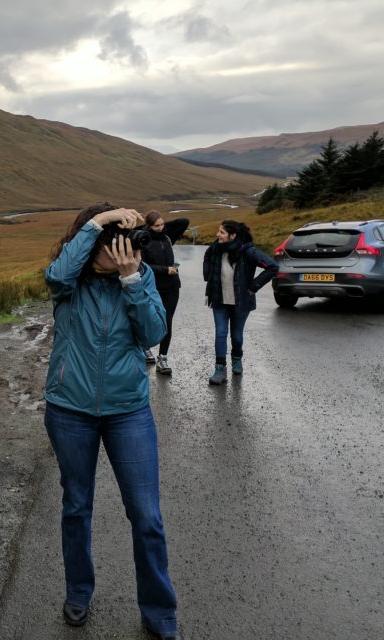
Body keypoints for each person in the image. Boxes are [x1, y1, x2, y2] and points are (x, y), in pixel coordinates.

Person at [43, 202, 178, 640]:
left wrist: (131, 279)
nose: (121, 249)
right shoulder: (70, 284)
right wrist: (97, 222)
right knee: (77, 507)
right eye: (110, 241)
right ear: (93, 243)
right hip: (70, 412)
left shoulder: (141, 278)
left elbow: (154, 334)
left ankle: (158, 610)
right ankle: (79, 591)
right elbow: (56, 275)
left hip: (128, 412)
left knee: (146, 515)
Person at [202, 219, 277, 386]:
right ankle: (220, 369)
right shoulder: (215, 249)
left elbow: (272, 266)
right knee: (220, 333)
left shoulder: (247, 251)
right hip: (219, 299)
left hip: (241, 302)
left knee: (236, 335)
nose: (217, 235)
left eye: (221, 232)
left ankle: (237, 359)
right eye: (218, 231)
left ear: (233, 235)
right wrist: (207, 273)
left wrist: (254, 285)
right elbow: (207, 256)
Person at [140, 211, 191, 375]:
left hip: (172, 286)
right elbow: (142, 265)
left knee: (167, 321)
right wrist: (164, 270)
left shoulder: (168, 237)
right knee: (149, 320)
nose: (161, 228)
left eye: (162, 225)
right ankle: (146, 348)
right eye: (157, 226)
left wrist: (161, 223)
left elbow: (184, 221)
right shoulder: (143, 240)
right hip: (152, 287)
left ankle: (163, 358)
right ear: (148, 226)